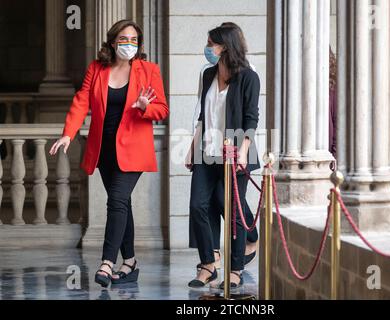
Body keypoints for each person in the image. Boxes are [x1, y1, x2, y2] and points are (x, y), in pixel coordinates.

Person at [49, 20, 169, 287]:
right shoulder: (97, 69)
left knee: (115, 201)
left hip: (133, 149)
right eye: (124, 39)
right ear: (113, 42)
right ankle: (130, 263)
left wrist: (143, 107)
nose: (129, 44)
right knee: (122, 204)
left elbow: (162, 109)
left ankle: (106, 262)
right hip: (103, 150)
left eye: (134, 40)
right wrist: (68, 133)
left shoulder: (149, 70)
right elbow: (81, 101)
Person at [185, 24, 260, 288]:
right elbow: (203, 116)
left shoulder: (248, 77)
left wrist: (243, 150)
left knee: (235, 214)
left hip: (234, 153)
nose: (207, 49)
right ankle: (208, 265)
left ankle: (236, 269)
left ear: (225, 47)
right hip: (207, 152)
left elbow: (251, 117)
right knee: (198, 206)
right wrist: (192, 147)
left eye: (211, 44)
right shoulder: (207, 75)